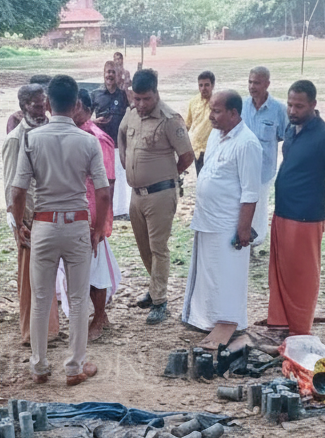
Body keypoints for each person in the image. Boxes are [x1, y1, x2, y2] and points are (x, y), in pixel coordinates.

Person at [11, 74, 110, 387]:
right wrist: (98, 229)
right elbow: (103, 192)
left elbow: (18, 190)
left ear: (48, 104)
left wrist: (19, 224)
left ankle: (39, 366)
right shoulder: (88, 141)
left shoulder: (32, 139)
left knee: (41, 298)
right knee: (78, 299)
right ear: (77, 104)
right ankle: (74, 367)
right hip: (77, 222)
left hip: (43, 223)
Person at [266, 80, 325, 340]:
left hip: (306, 216)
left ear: (313, 105)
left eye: (299, 106)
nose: (292, 111)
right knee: (281, 270)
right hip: (283, 210)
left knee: (302, 274)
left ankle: (300, 328)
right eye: (290, 105)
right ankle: (280, 323)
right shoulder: (291, 130)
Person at [181, 90, 262, 348]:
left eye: (216, 111)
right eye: (211, 110)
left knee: (228, 274)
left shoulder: (247, 143)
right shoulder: (216, 135)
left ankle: (230, 321)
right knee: (210, 273)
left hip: (229, 223)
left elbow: (250, 191)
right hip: (208, 218)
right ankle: (207, 319)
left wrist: (244, 228)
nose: (211, 116)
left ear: (234, 113)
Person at [118, 67, 194, 325]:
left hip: (160, 194)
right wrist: (126, 160)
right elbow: (121, 135)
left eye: (146, 99)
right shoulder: (131, 114)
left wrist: (166, 176)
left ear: (156, 93)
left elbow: (187, 156)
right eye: (137, 98)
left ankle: (160, 301)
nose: (141, 104)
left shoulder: (170, 119)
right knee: (143, 246)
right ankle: (154, 289)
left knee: (158, 247)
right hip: (136, 195)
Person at [2, 84, 60, 345]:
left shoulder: (48, 131)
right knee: (29, 279)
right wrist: (18, 222)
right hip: (29, 218)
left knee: (47, 275)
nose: (41, 111)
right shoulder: (16, 139)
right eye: (36, 106)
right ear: (23, 106)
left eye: (43, 105)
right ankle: (31, 332)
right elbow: (11, 185)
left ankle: (49, 329)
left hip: (51, 215)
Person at [73, 88, 121, 341]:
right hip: (75, 212)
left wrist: (101, 223)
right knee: (83, 268)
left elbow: (108, 183)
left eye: (77, 107)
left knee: (96, 268)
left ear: (89, 110)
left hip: (93, 214)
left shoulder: (98, 138)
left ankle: (99, 317)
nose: (71, 111)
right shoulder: (71, 134)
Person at [241, 66, 288, 245]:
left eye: (257, 83)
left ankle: (255, 242)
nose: (252, 86)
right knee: (240, 207)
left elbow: (286, 137)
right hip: (241, 169)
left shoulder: (278, 110)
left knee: (258, 208)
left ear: (267, 84)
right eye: (250, 82)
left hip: (263, 170)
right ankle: (242, 240)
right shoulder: (241, 106)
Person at [92, 61, 131, 219]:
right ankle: (107, 210)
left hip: (119, 143)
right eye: (108, 72)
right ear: (103, 73)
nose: (110, 75)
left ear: (118, 75)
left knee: (121, 177)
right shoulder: (96, 94)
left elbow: (133, 110)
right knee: (105, 177)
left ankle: (121, 210)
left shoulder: (123, 95)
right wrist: (95, 122)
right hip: (102, 144)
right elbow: (86, 117)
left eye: (113, 72)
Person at [185, 71, 215, 174]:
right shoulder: (193, 102)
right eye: (200, 85)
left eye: (207, 85)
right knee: (201, 179)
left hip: (213, 149)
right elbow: (188, 124)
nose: (203, 88)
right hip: (197, 150)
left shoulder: (218, 102)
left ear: (213, 85)